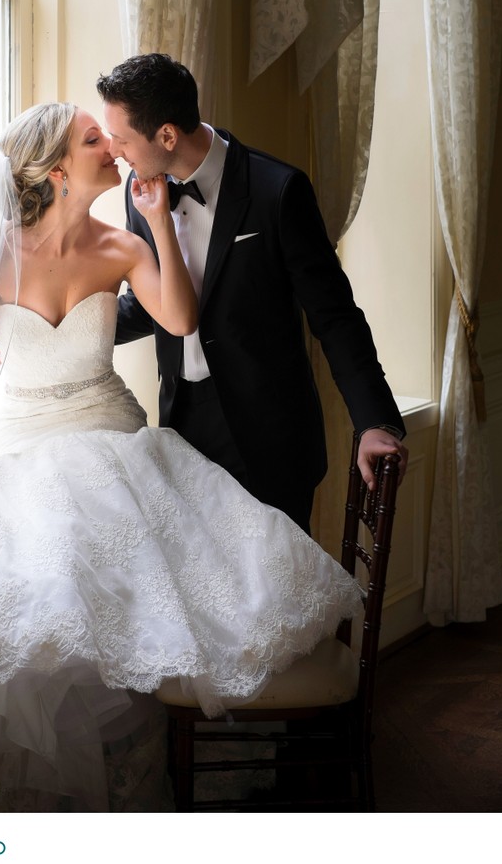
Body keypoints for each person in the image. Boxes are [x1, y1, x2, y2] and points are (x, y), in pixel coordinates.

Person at [0, 102, 364, 812]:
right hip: (20, 449)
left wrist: (155, 227)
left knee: (143, 613)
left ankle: (138, 789)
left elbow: (178, 319)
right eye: (95, 141)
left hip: (115, 442)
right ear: (57, 170)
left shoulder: (121, 244)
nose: (114, 149)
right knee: (45, 599)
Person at [97, 53, 408, 535]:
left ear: (167, 136)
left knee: (281, 601)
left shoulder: (277, 190)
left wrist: (375, 422)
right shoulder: (141, 191)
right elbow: (150, 305)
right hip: (182, 428)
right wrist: (64, 329)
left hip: (271, 436)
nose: (114, 150)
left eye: (121, 138)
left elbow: (335, 316)